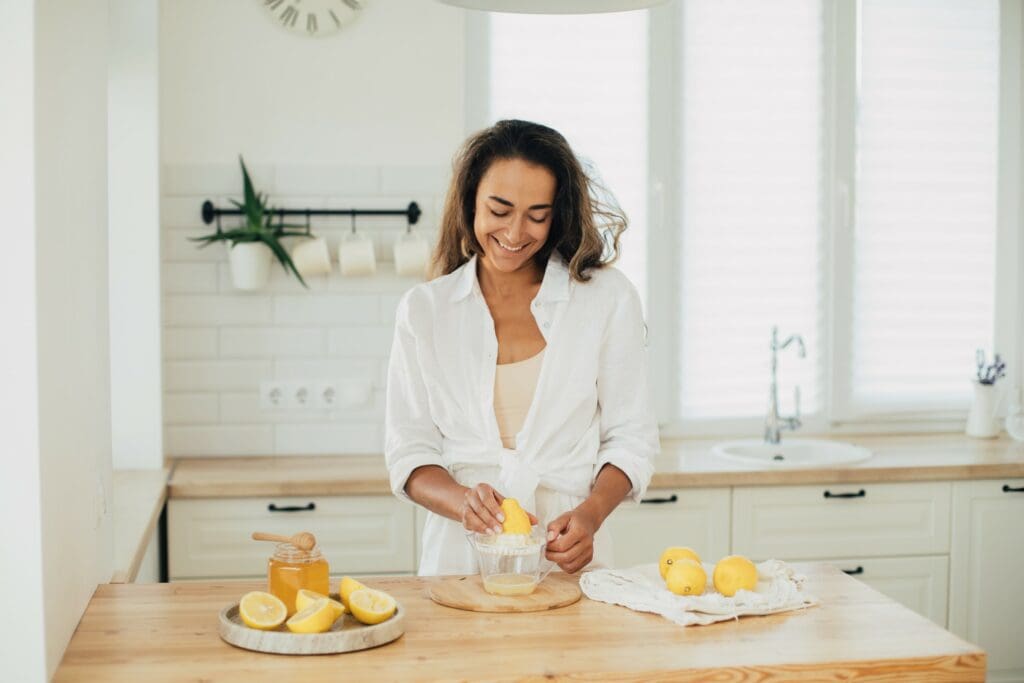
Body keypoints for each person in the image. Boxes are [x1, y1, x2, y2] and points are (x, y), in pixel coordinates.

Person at [385, 119, 659, 576]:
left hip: (568, 562)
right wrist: (464, 502)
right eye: (500, 210)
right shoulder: (425, 311)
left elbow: (632, 439)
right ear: (471, 199)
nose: (515, 233)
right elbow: (409, 453)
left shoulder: (606, 299)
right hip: (459, 560)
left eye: (537, 215)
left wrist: (590, 516)